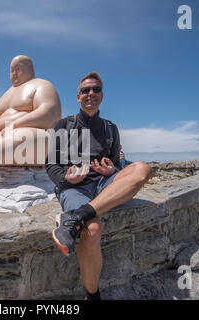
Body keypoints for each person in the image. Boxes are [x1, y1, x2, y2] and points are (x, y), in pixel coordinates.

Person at [46, 71, 152, 300]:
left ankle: (76, 217)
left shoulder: (110, 128)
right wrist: (67, 179)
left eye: (96, 89)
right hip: (75, 188)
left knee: (143, 168)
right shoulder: (64, 126)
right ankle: (92, 295)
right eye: (85, 90)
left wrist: (112, 170)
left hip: (105, 184)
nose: (90, 94)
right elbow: (51, 166)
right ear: (78, 97)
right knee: (92, 229)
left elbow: (114, 163)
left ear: (102, 96)